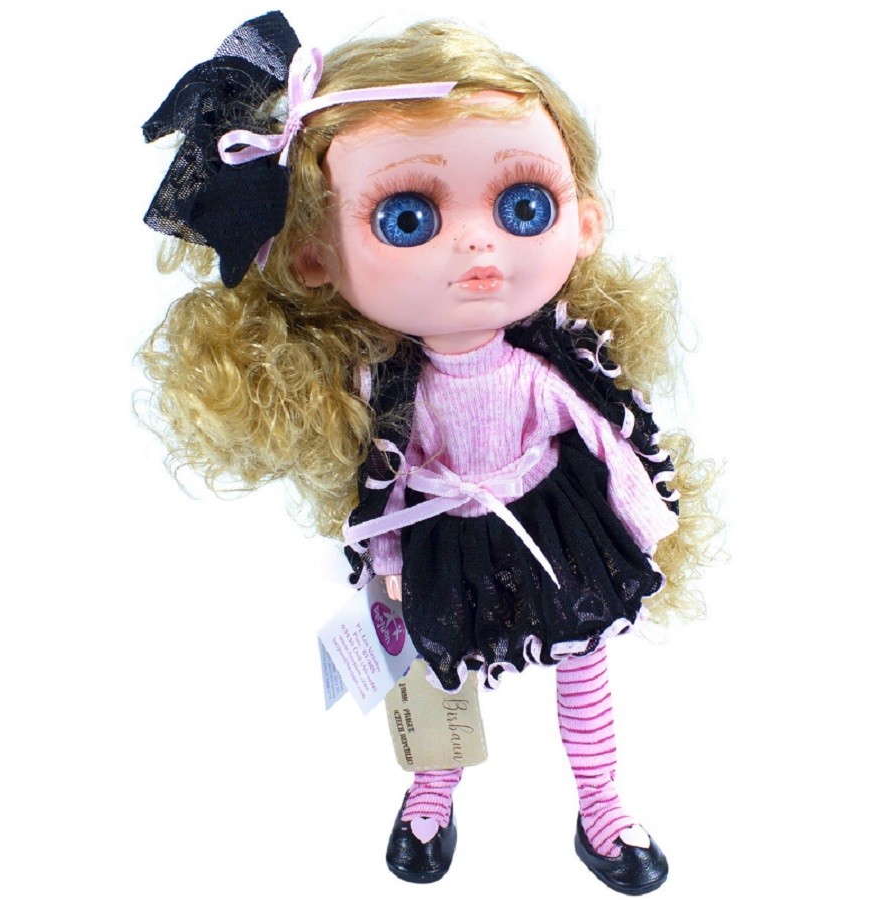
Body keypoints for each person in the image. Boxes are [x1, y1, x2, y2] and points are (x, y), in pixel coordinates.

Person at [141, 12, 715, 893]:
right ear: (313, 259)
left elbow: (609, 434)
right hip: (443, 535)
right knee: (434, 673)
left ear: (586, 223)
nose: (479, 245)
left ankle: (601, 808)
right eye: (407, 218)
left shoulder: (546, 368)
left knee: (586, 666)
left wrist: (641, 519)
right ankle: (431, 796)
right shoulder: (386, 388)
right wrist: (389, 565)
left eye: (524, 207)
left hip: (553, 524)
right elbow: (388, 478)